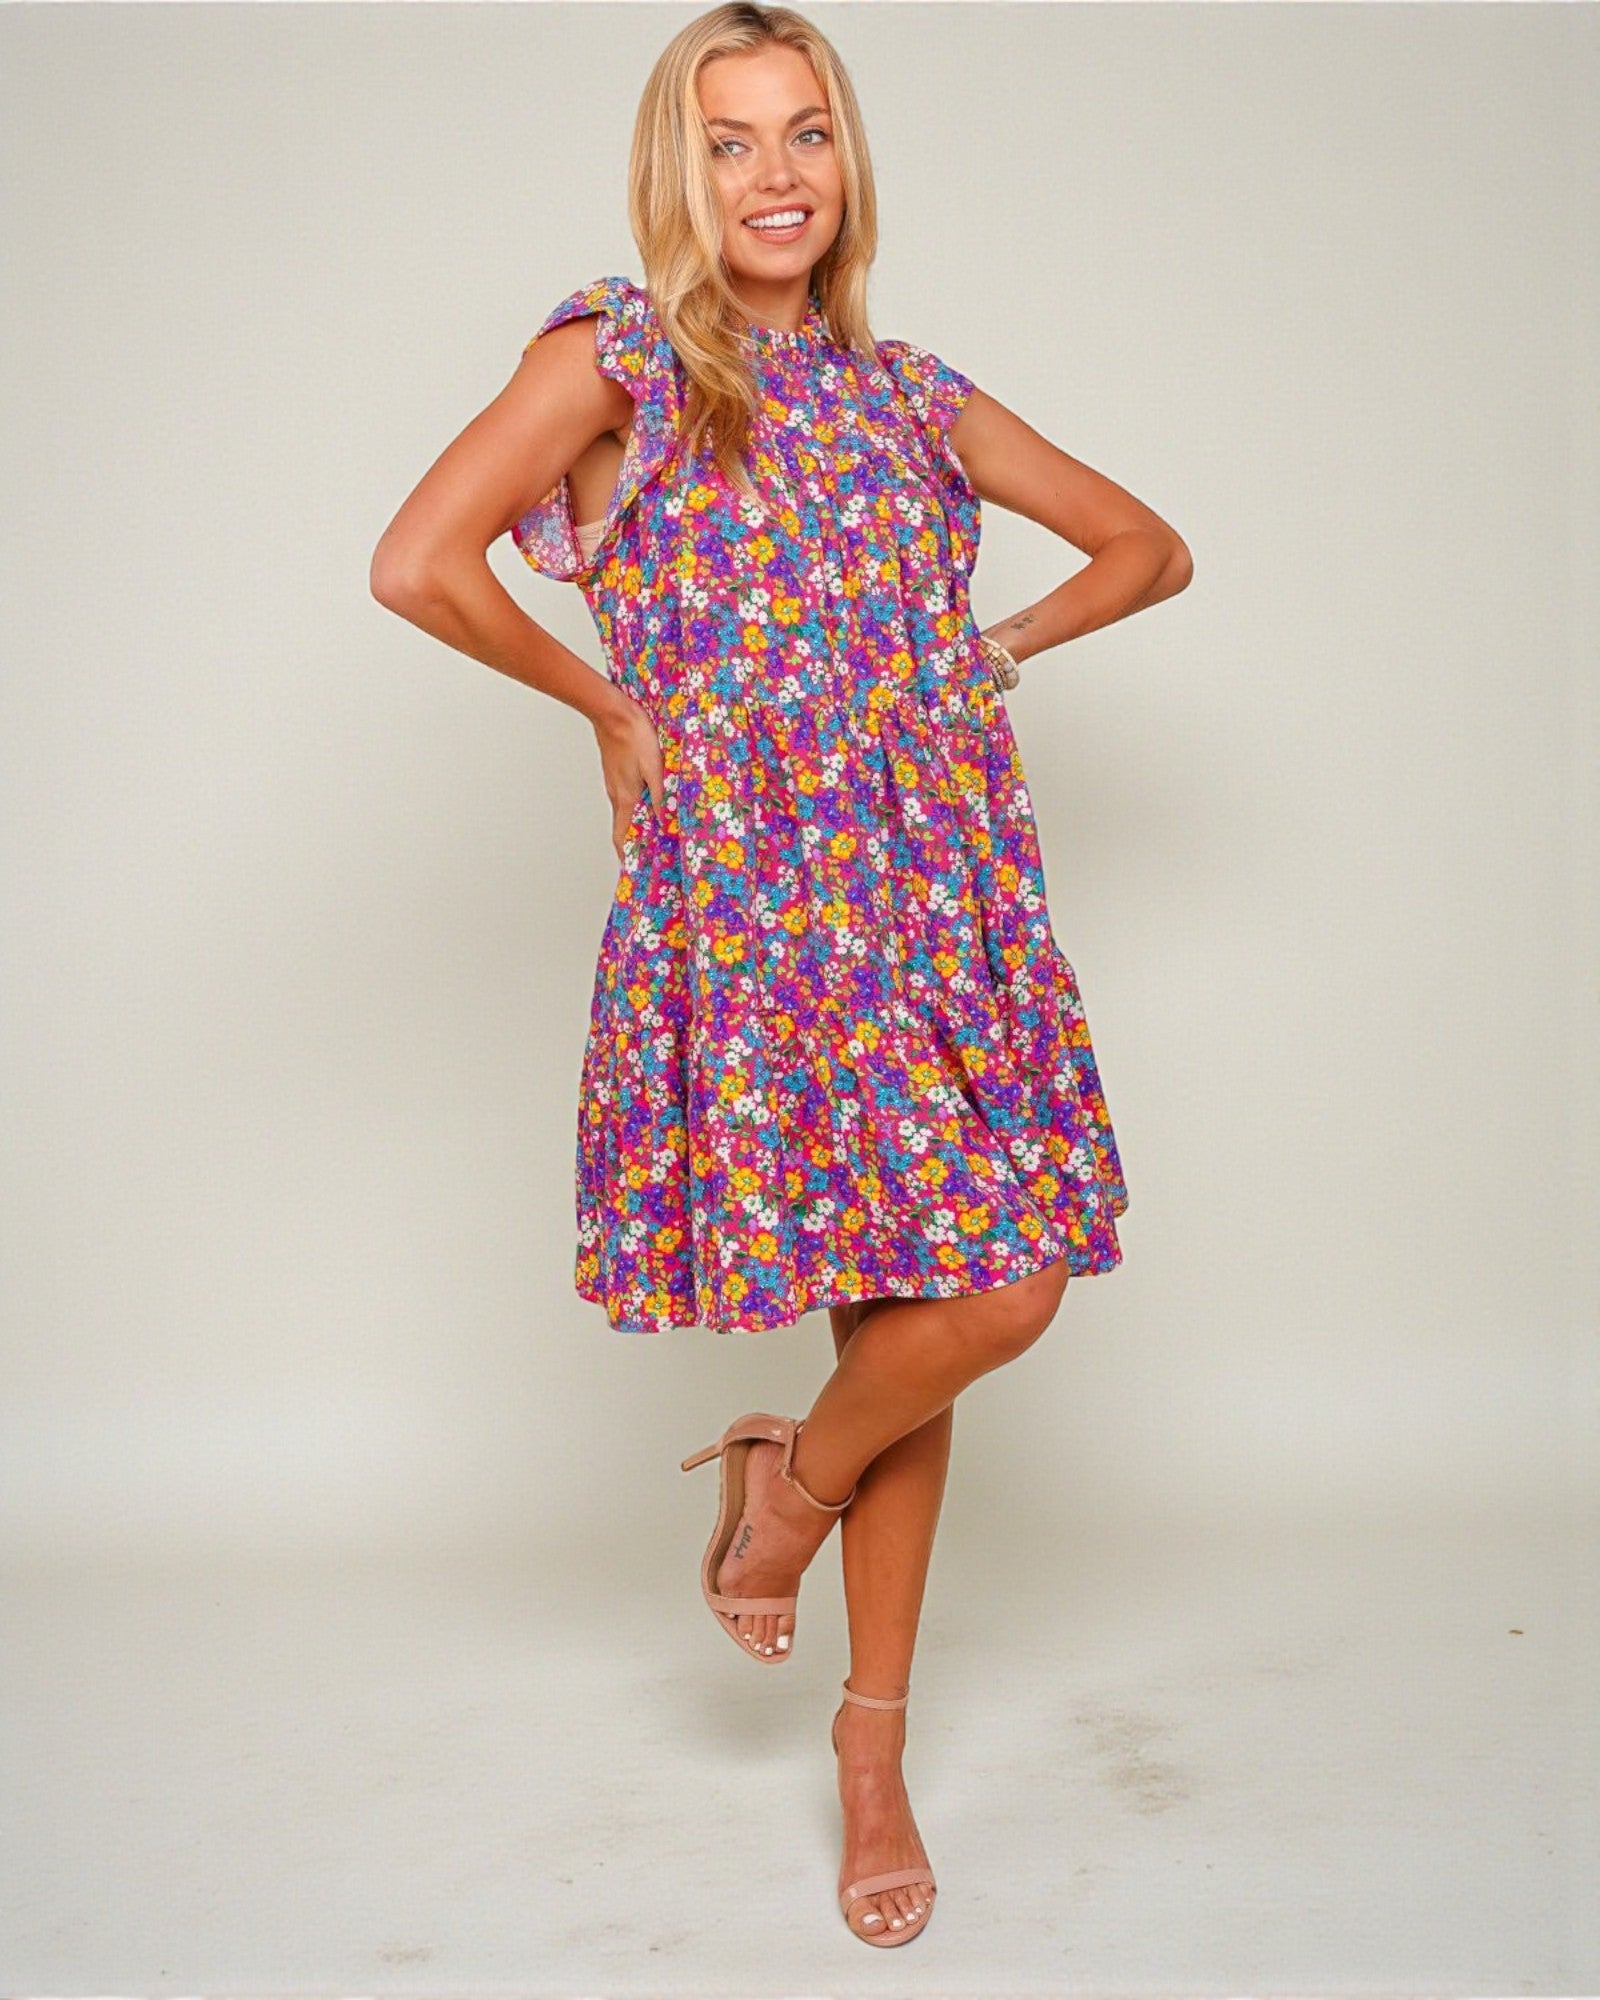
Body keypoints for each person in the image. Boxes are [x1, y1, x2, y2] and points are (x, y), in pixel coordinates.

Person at [371, 0, 1190, 1950]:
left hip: (935, 887)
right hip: (746, 903)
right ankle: (867, 1728)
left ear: (847, 162)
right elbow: (419, 560)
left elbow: (1145, 548)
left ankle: (791, 1508)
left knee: (983, 1288)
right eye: (729, 138)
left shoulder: (909, 392)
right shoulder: (616, 360)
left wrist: (968, 660)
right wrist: (602, 705)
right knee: (924, 1301)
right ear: (678, 167)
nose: (773, 175)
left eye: (804, 132)